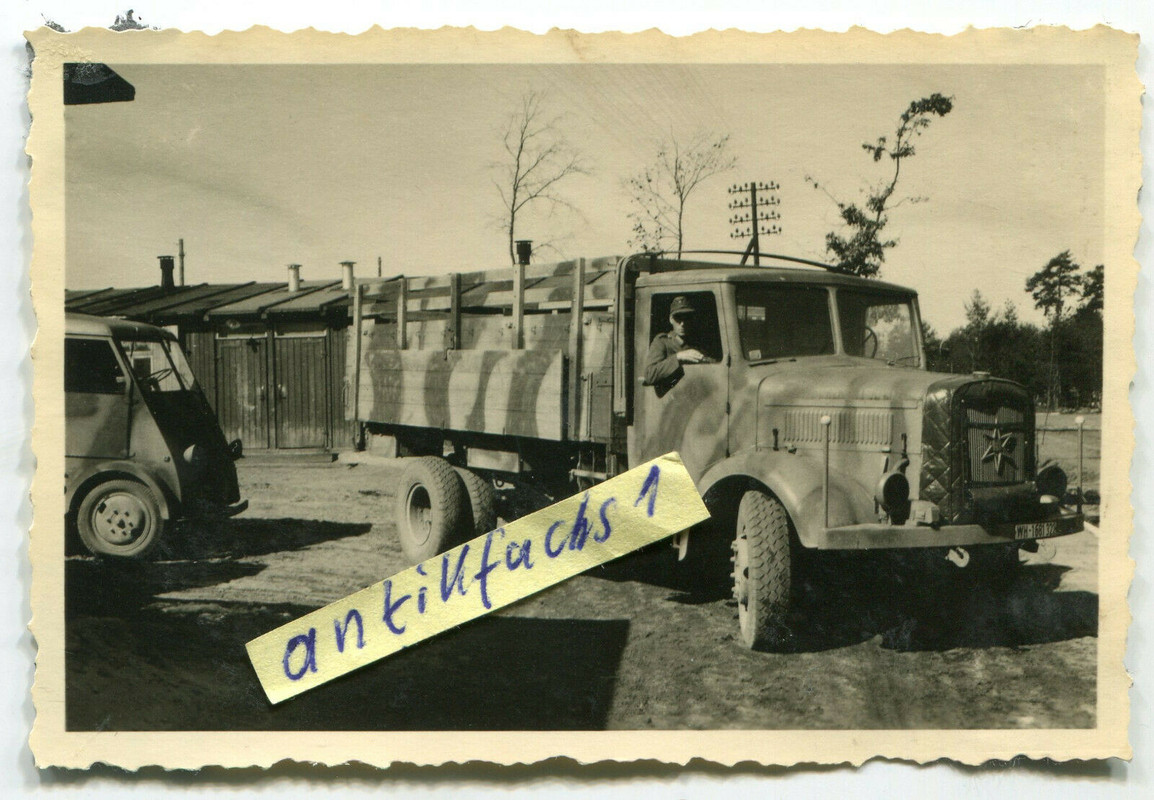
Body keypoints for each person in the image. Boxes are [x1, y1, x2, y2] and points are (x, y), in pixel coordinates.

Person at [643, 295, 712, 396]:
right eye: (678, 318)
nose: (682, 323)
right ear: (671, 319)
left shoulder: (695, 343)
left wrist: (705, 360)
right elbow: (649, 374)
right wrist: (678, 357)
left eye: (686, 318)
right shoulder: (662, 342)